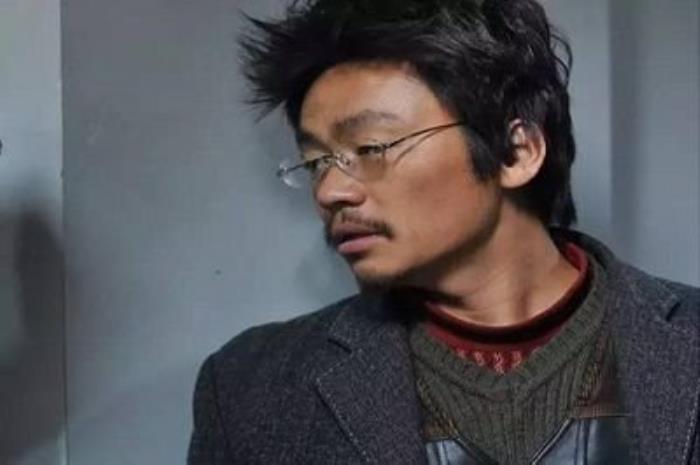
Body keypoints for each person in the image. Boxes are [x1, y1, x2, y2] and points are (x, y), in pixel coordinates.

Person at [187, 1, 700, 464]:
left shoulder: (686, 343)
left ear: (516, 152)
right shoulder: (249, 388)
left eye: (370, 148)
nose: (330, 191)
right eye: (317, 162)